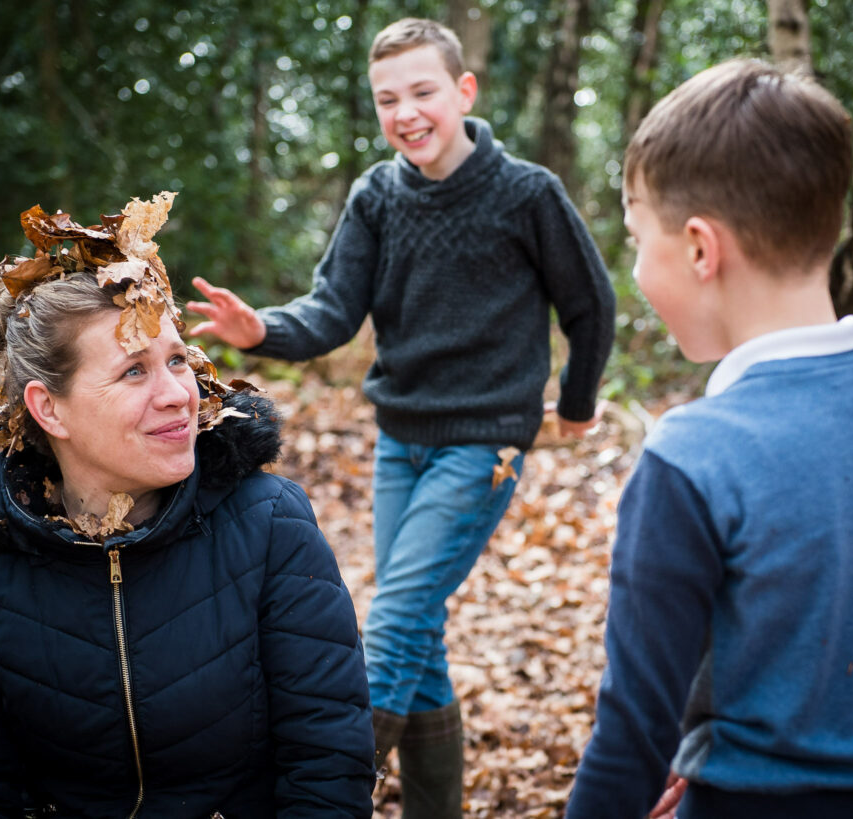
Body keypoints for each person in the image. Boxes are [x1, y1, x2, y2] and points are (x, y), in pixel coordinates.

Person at [187, 17, 616, 815]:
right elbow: (334, 311)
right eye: (388, 99)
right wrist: (263, 330)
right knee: (421, 637)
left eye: (423, 92)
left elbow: (590, 304)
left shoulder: (527, 193)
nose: (406, 112)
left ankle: (326, 798)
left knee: (395, 617)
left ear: (464, 91)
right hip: (401, 443)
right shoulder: (377, 195)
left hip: (484, 442)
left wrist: (579, 405)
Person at [0, 196, 375, 818]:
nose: (178, 394)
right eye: (134, 371)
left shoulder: (270, 523)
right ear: (50, 409)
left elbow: (327, 763)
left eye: (177, 360)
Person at [565, 58, 853, 819]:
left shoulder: (691, 459)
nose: (634, 267)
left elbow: (632, 735)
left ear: (699, 248)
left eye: (635, 238)